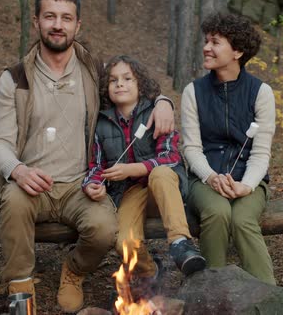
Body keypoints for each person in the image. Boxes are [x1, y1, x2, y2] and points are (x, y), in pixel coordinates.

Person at [0, 0, 175, 313]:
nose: (58, 25)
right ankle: (20, 289)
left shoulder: (92, 71)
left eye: (66, 18)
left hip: (80, 185)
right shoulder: (15, 78)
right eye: (50, 17)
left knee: (104, 229)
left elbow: (132, 92)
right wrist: (18, 170)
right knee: (14, 202)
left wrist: (163, 101)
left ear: (77, 26)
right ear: (36, 22)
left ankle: (74, 270)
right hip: (34, 182)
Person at [82, 55, 206, 289]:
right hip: (130, 191)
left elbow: (171, 158)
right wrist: (93, 183)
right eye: (113, 80)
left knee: (158, 174)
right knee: (125, 243)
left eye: (128, 79)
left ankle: (181, 243)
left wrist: (135, 168)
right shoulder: (100, 123)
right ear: (105, 88)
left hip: (165, 186)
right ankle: (151, 270)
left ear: (140, 84)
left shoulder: (156, 112)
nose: (120, 84)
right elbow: (96, 165)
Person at [181, 12, 277, 285]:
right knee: (218, 212)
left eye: (215, 42)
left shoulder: (261, 92)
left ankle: (269, 297)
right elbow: (191, 148)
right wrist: (211, 177)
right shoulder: (193, 92)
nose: (207, 48)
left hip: (250, 181)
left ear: (237, 51)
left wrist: (246, 186)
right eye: (206, 41)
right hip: (204, 178)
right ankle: (212, 292)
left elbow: (260, 153)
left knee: (243, 220)